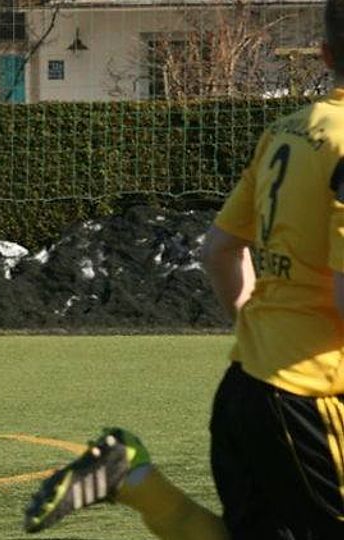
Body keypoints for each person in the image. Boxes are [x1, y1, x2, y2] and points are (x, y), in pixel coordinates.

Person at [24, 2, 344, 537]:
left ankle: (136, 480)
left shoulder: (286, 132)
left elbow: (220, 248)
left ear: (326, 54)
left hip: (246, 388)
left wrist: (257, 333)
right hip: (309, 402)